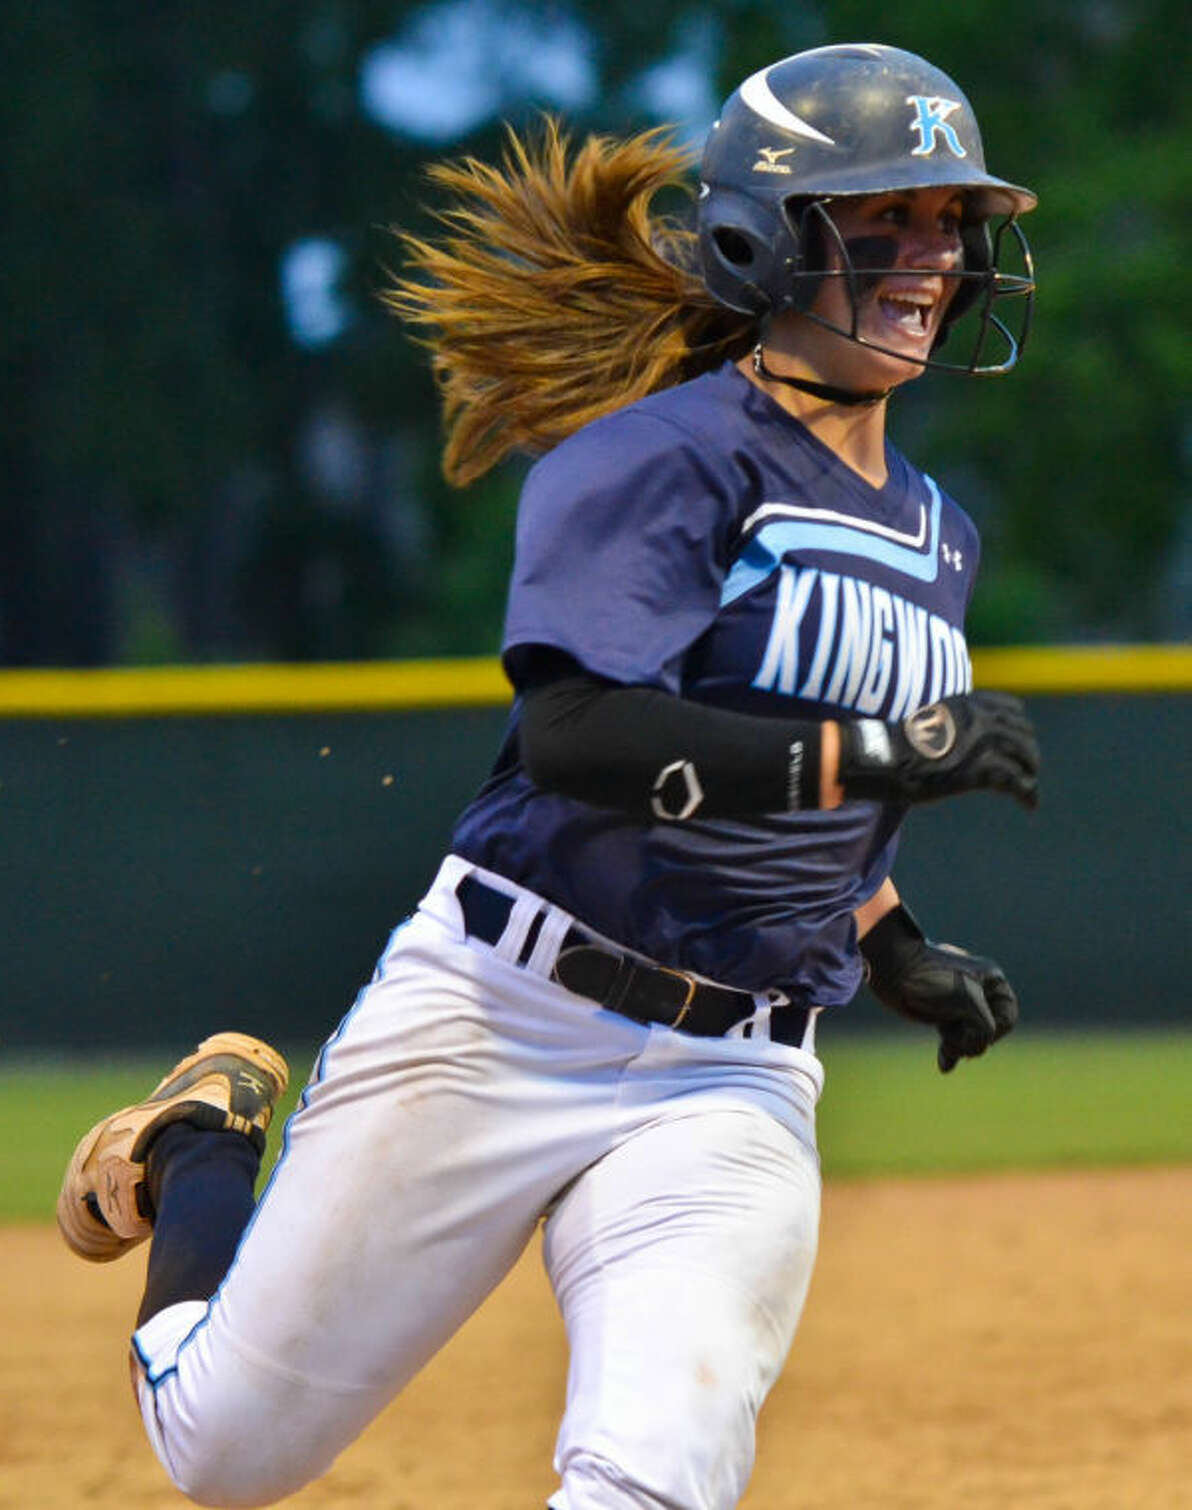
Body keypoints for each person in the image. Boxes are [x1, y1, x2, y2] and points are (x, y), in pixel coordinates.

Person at [57, 42, 1040, 1510]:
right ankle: (205, 1137)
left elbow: (813, 800)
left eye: (953, 221)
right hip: (505, 1012)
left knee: (655, 1473)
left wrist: (892, 947)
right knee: (224, 1452)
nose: (936, 254)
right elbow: (585, 735)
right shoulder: (663, 459)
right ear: (764, 240)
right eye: (888, 216)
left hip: (736, 1076)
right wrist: (884, 749)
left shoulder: (939, 532)